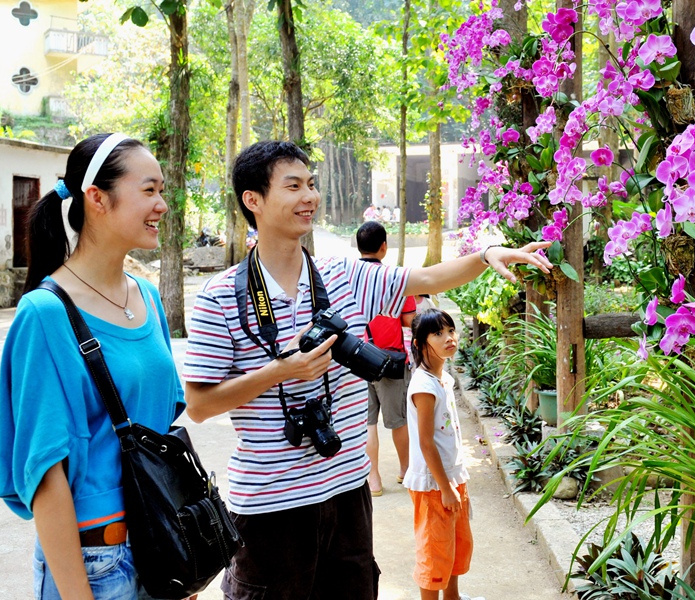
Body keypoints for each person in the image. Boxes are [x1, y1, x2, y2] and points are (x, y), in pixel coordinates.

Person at [182, 140, 550, 600]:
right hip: (269, 507)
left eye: (311, 184)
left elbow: (428, 278)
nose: (310, 197)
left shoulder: (343, 276)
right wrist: (283, 371)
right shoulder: (220, 297)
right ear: (252, 200)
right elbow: (199, 405)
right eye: (293, 187)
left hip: (347, 494)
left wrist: (486, 255)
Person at [0, 133, 185, 599]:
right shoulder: (45, 314)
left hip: (162, 547)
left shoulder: (148, 298)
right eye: (149, 190)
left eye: (162, 190)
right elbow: (45, 473)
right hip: (97, 564)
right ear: (97, 198)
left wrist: (182, 545)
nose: (162, 205)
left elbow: (166, 434)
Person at [404, 308, 482, 600]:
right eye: (438, 333)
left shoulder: (443, 378)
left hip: (450, 477)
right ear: (419, 343)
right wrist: (446, 488)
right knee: (434, 551)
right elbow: (426, 443)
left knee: (456, 545)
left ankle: (453, 597)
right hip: (434, 484)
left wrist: (453, 483)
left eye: (450, 330)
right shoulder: (423, 386)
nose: (449, 338)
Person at [356, 221, 417, 496]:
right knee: (398, 421)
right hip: (390, 361)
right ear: (384, 247)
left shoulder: (347, 278)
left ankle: (373, 479)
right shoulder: (396, 279)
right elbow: (410, 320)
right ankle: (405, 470)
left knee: (367, 423)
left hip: (357, 360)